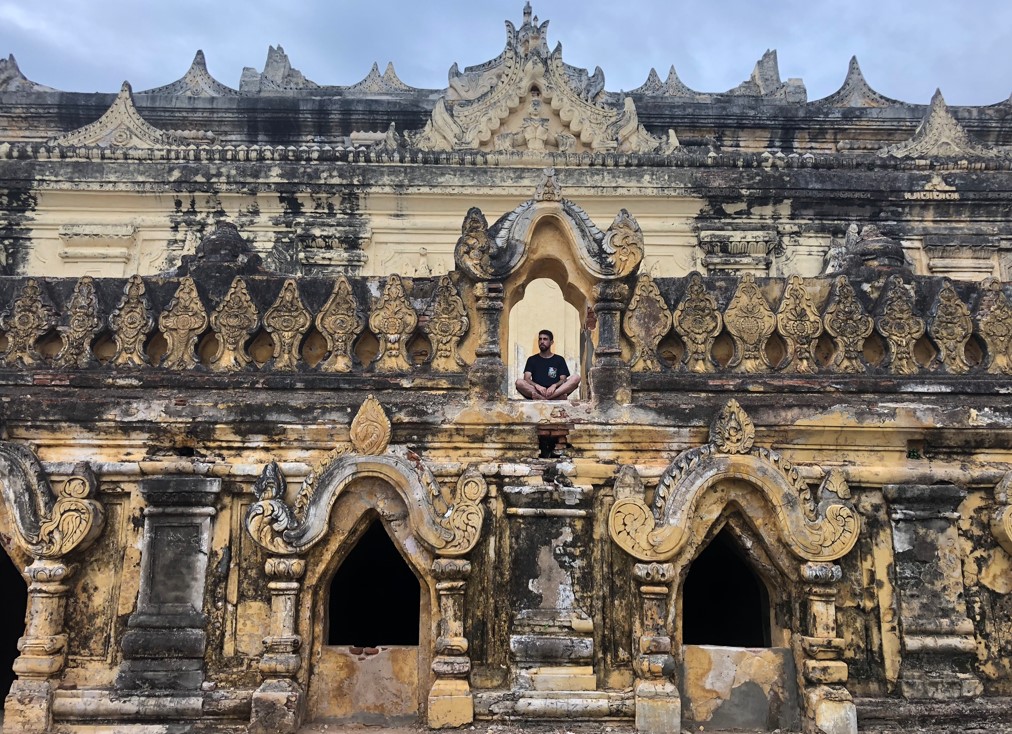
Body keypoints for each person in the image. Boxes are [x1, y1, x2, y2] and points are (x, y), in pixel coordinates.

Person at [516, 329, 581, 400]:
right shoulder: (532, 359)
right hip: (536, 390)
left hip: (555, 390)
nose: (542, 342)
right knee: (519, 382)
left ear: (551, 342)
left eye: (545, 339)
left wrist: (554, 385)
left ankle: (544, 398)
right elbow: (527, 378)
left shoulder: (559, 359)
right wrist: (537, 386)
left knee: (576, 378)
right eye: (540, 339)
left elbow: (563, 379)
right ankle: (554, 398)